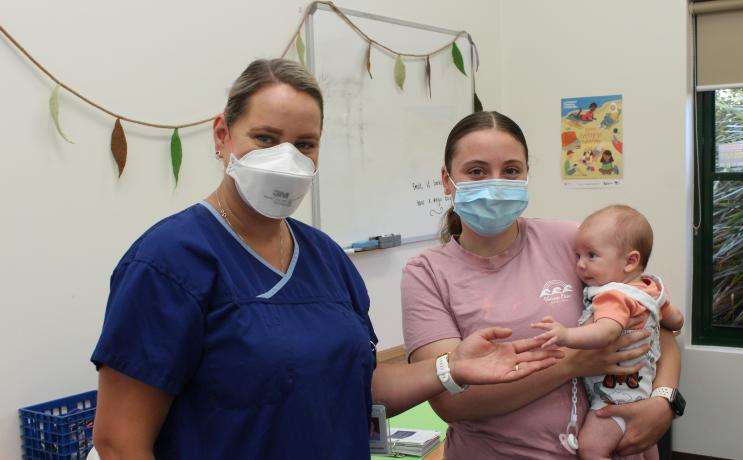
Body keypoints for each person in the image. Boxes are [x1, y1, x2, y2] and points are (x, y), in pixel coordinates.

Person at [89, 59, 562, 460]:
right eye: (266, 139)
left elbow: (361, 385)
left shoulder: (325, 258)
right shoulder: (169, 261)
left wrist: (451, 369)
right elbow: (118, 441)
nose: (287, 159)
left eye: (305, 144)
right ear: (222, 135)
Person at [402, 111, 682, 459]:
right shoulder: (426, 273)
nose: (496, 183)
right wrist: (571, 364)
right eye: (476, 171)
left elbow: (654, 325)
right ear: (447, 180)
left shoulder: (571, 242)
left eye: (511, 171)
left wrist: (664, 400)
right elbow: (452, 401)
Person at [532, 205, 684, 459]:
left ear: (630, 261)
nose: (580, 265)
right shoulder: (652, 290)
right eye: (577, 256)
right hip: (644, 390)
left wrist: (565, 335)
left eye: (591, 256)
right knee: (645, 446)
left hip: (614, 397)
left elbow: (606, 332)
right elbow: (676, 320)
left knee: (591, 447)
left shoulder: (612, 296)